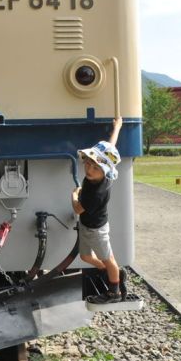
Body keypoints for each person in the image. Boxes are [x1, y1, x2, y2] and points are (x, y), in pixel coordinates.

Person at [72, 117, 125, 304]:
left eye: (95, 167)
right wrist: (117, 127)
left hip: (96, 230)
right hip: (88, 225)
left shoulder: (95, 193)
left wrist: (74, 194)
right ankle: (110, 271)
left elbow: (77, 209)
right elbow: (110, 147)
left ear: (105, 171)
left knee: (109, 259)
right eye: (88, 163)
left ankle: (114, 292)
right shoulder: (104, 174)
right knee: (85, 256)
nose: (89, 169)